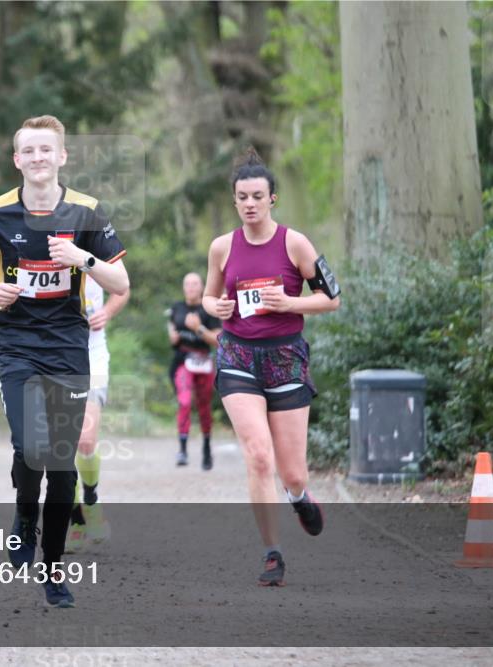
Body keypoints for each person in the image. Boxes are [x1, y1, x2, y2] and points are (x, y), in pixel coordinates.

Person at [0, 115, 129, 607]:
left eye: (46, 149)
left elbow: (121, 283)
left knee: (62, 466)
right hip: (17, 344)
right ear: (17, 160)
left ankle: (53, 570)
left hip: (68, 345)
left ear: (62, 157)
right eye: (29, 150)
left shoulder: (86, 212)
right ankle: (23, 514)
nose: (38, 157)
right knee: (29, 446)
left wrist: (83, 260)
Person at [201, 147, 340, 586]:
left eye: (257, 196)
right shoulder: (222, 247)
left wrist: (290, 302)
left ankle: (298, 495)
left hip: (285, 357)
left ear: (272, 199)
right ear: (235, 200)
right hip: (238, 355)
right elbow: (208, 297)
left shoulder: (295, 243)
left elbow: (331, 299)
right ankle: (272, 553)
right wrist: (217, 307)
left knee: (292, 470)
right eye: (242, 197)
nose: (250, 204)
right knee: (259, 456)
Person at [65, 275, 129, 552]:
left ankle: (90, 499)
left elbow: (123, 288)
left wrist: (106, 311)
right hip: (54, 357)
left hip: (92, 356)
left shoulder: (94, 253)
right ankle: (76, 520)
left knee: (85, 440)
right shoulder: (43, 255)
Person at [167, 272, 220, 469]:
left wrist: (199, 329)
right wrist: (172, 336)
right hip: (183, 361)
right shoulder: (177, 308)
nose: (191, 287)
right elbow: (171, 326)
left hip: (204, 360)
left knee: (204, 407)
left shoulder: (209, 309)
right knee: (184, 401)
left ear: (202, 287)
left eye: (195, 284)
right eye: (187, 284)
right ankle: (182, 450)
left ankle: (206, 449)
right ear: (183, 287)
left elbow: (218, 339)